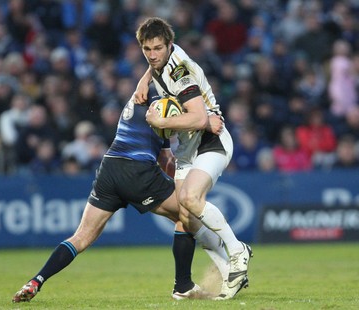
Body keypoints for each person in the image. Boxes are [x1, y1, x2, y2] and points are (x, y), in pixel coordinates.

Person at [12, 86, 234, 303]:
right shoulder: (153, 96)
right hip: (137, 170)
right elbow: (155, 76)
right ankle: (185, 284)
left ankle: (36, 281)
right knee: (187, 214)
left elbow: (165, 160)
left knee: (81, 237)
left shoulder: (138, 101)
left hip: (109, 169)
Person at [133, 17, 252, 300]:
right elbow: (154, 66)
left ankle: (237, 251)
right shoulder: (161, 61)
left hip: (212, 140)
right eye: (147, 49)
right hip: (187, 149)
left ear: (169, 45)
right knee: (185, 217)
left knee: (189, 199)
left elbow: (200, 118)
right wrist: (144, 80)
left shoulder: (180, 73)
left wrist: (160, 120)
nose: (152, 54)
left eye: (158, 48)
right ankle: (228, 273)